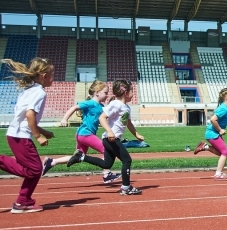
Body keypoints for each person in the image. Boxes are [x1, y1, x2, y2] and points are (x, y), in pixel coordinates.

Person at [67, 79, 144, 195]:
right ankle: (126, 187)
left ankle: (81, 157)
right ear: (125, 93)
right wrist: (109, 131)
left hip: (111, 139)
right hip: (111, 139)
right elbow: (102, 118)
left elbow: (128, 123)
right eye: (132, 91)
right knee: (127, 160)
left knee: (107, 164)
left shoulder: (126, 107)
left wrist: (136, 134)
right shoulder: (116, 104)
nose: (134, 94)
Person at [0, 57, 55, 213]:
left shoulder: (29, 90)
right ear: (44, 75)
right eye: (52, 74)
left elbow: (27, 117)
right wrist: (38, 136)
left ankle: (23, 201)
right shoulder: (39, 93)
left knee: (33, 170)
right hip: (21, 136)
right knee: (35, 170)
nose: (53, 78)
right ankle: (22, 202)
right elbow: (30, 115)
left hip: (15, 134)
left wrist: (44, 132)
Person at [41, 80, 121, 183]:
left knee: (78, 156)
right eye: (105, 93)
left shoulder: (100, 107)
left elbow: (106, 115)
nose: (107, 95)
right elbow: (74, 107)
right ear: (97, 92)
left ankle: (52, 162)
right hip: (85, 134)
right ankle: (107, 174)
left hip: (82, 134)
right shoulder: (90, 103)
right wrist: (65, 119)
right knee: (106, 149)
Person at [194, 88, 227, 181]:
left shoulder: (224, 107)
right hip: (213, 133)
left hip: (213, 133)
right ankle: (218, 174)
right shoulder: (224, 108)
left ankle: (205, 147)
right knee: (225, 152)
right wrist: (220, 130)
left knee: (222, 153)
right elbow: (213, 119)